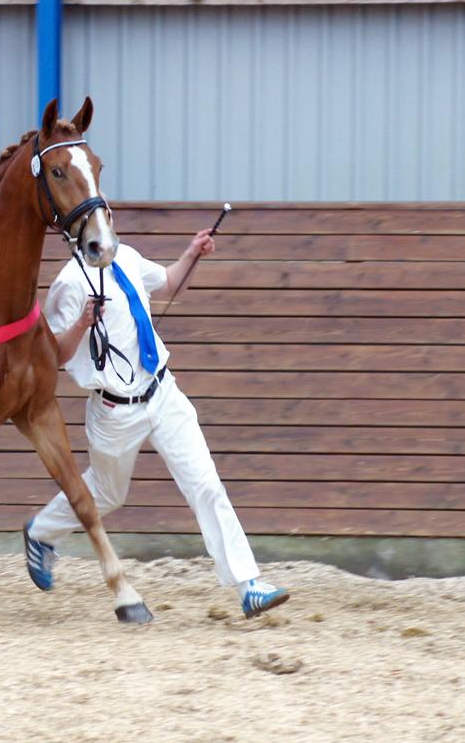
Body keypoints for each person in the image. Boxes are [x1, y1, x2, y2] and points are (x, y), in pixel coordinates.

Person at [23, 227, 290, 618]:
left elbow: (168, 284)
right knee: (108, 493)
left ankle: (248, 585)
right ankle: (41, 532)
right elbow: (56, 354)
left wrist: (192, 254)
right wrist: (82, 323)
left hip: (163, 390)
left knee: (205, 484)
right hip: (115, 410)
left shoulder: (127, 257)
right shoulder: (69, 283)